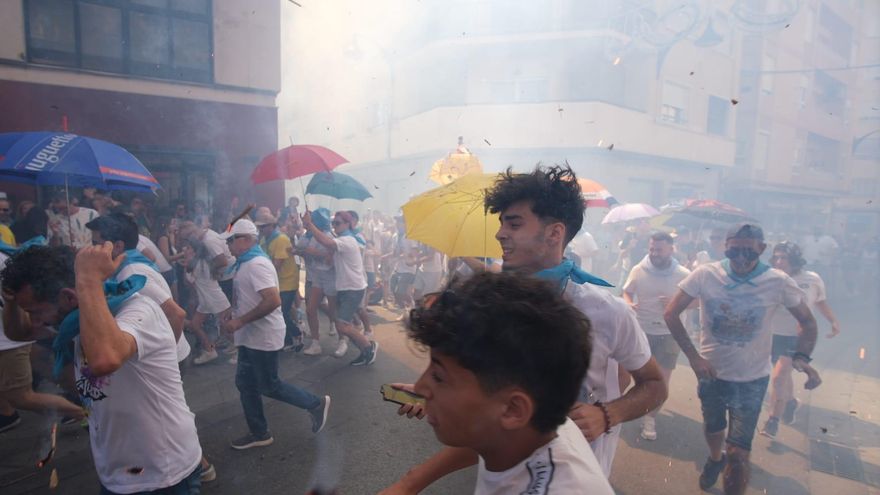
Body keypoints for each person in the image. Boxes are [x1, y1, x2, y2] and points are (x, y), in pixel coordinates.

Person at [381, 165, 666, 493]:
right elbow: (497, 410)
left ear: (554, 233)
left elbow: (654, 383)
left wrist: (608, 413)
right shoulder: (497, 304)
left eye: (514, 223)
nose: (501, 233)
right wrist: (444, 394)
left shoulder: (608, 311)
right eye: (501, 223)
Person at [2, 244, 202, 493]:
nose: (35, 321)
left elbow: (104, 360)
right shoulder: (71, 320)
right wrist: (10, 303)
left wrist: (88, 280)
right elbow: (18, 333)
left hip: (163, 472)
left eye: (35, 311)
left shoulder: (138, 310)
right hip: (117, 471)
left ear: (69, 297)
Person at [407, 271, 613, 494]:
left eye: (438, 377)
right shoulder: (533, 427)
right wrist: (410, 482)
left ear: (513, 409)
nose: (420, 387)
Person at [664, 223, 822, 494]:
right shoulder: (705, 274)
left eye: (748, 253)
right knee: (714, 429)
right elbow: (670, 313)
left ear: (762, 249)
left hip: (752, 380)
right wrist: (693, 358)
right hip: (711, 374)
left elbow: (807, 322)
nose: (740, 259)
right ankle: (715, 459)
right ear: (726, 247)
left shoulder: (778, 281)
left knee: (738, 453)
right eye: (734, 251)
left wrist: (802, 357)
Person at [219, 219, 330, 449]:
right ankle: (259, 433)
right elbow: (250, 294)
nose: (228, 245)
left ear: (246, 240)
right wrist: (233, 310)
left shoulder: (256, 264)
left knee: (269, 385)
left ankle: (315, 404)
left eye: (231, 240)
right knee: (246, 383)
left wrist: (239, 320)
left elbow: (272, 300)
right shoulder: (245, 263)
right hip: (252, 336)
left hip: (262, 336)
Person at [760, 241, 840, 438]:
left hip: (796, 336)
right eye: (776, 257)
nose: (779, 261)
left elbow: (820, 302)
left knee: (779, 377)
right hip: (771, 334)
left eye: (784, 258)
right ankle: (791, 402)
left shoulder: (812, 279)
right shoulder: (770, 277)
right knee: (783, 377)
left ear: (795, 260)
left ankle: (773, 421)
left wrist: (833, 321)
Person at [621, 231, 690, 441]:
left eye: (659, 250)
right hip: (641, 330)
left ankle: (649, 418)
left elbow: (698, 302)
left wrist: (674, 303)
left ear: (671, 249)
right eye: (651, 249)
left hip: (669, 332)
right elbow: (627, 291)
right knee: (625, 375)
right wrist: (628, 303)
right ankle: (616, 411)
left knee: (661, 380)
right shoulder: (638, 269)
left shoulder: (683, 273)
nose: (654, 253)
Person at [301, 211, 378, 365]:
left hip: (353, 288)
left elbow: (327, 243)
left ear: (348, 224)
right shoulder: (342, 239)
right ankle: (365, 346)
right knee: (344, 322)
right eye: (333, 223)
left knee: (342, 325)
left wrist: (309, 225)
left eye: (338, 223)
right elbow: (330, 254)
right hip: (347, 288)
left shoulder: (348, 240)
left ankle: (369, 347)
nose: (334, 226)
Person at [254, 211, 303, 352]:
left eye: (263, 227)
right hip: (276, 282)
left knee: (281, 312)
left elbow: (276, 264)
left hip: (287, 282)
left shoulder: (281, 239)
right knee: (279, 312)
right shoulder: (264, 239)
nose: (260, 230)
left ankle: (297, 334)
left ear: (272, 226)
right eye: (259, 227)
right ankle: (286, 340)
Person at [293, 208, 339, 356]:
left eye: (312, 220)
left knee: (334, 311)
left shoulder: (328, 236)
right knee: (310, 309)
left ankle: (342, 339)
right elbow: (301, 247)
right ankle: (315, 342)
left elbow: (332, 258)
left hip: (330, 277)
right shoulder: (311, 236)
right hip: (316, 277)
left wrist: (316, 253)